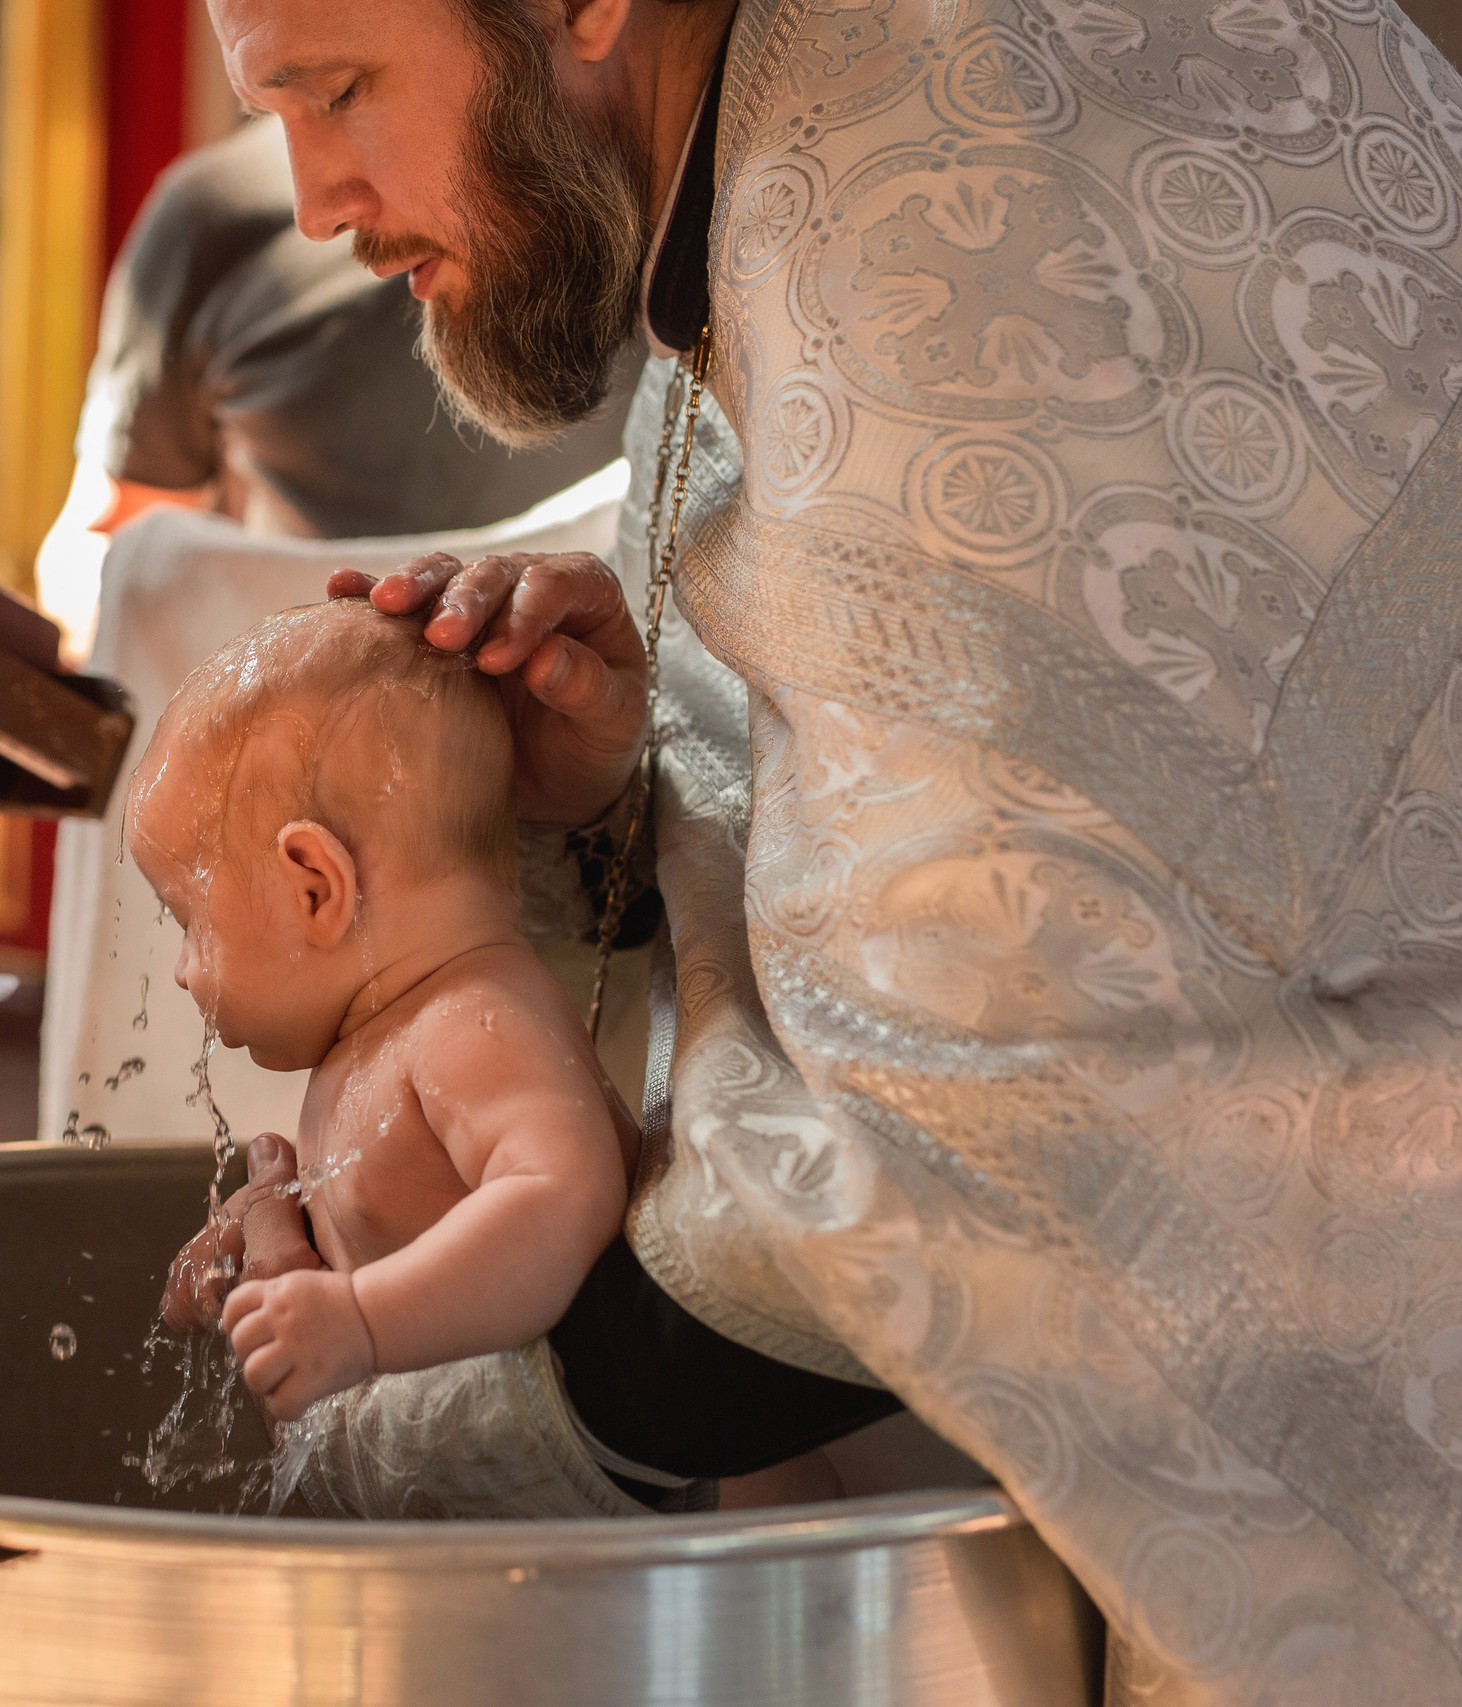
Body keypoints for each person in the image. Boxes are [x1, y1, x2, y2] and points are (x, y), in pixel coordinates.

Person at [209, 0, 1462, 1695]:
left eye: (343, 88)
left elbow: (985, 1133)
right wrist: (614, 771)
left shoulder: (940, 213)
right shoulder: (828, 103)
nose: (314, 201)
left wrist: (381, 1415)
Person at [130, 602, 654, 1518]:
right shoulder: (384, 1033)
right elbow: (393, 1202)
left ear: (315, 885)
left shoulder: (469, 1018)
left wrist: (363, 1320)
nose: (182, 972)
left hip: (678, 1540)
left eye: (190, 923)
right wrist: (268, 1219)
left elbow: (563, 1195)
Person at [34, 115, 632, 658]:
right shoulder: (210, 219)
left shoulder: (642, 209)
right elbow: (106, 555)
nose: (316, 215)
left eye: (346, 89)